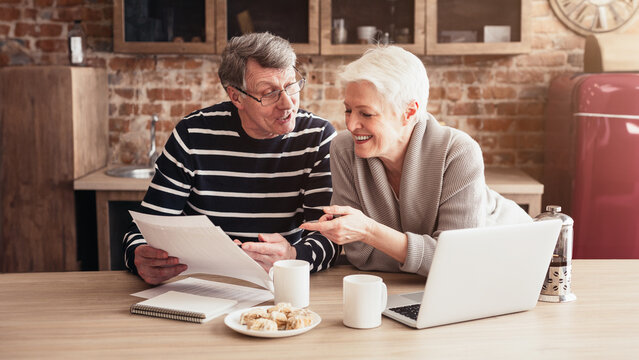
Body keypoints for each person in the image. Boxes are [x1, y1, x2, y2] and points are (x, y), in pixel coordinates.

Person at [123, 32, 338, 285]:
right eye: (269, 93)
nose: (287, 103)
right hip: (201, 283)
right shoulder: (193, 134)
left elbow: (330, 238)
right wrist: (138, 255)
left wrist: (293, 255)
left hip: (279, 285)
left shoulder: (318, 136)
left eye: (291, 86)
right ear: (236, 97)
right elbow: (146, 227)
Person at [300, 46, 531, 276]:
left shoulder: (458, 152)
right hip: (423, 284)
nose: (351, 125)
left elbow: (457, 261)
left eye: (366, 114)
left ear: (409, 112)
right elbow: (361, 255)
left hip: (514, 263)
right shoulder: (344, 149)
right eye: (348, 110)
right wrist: (430, 255)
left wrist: (370, 232)